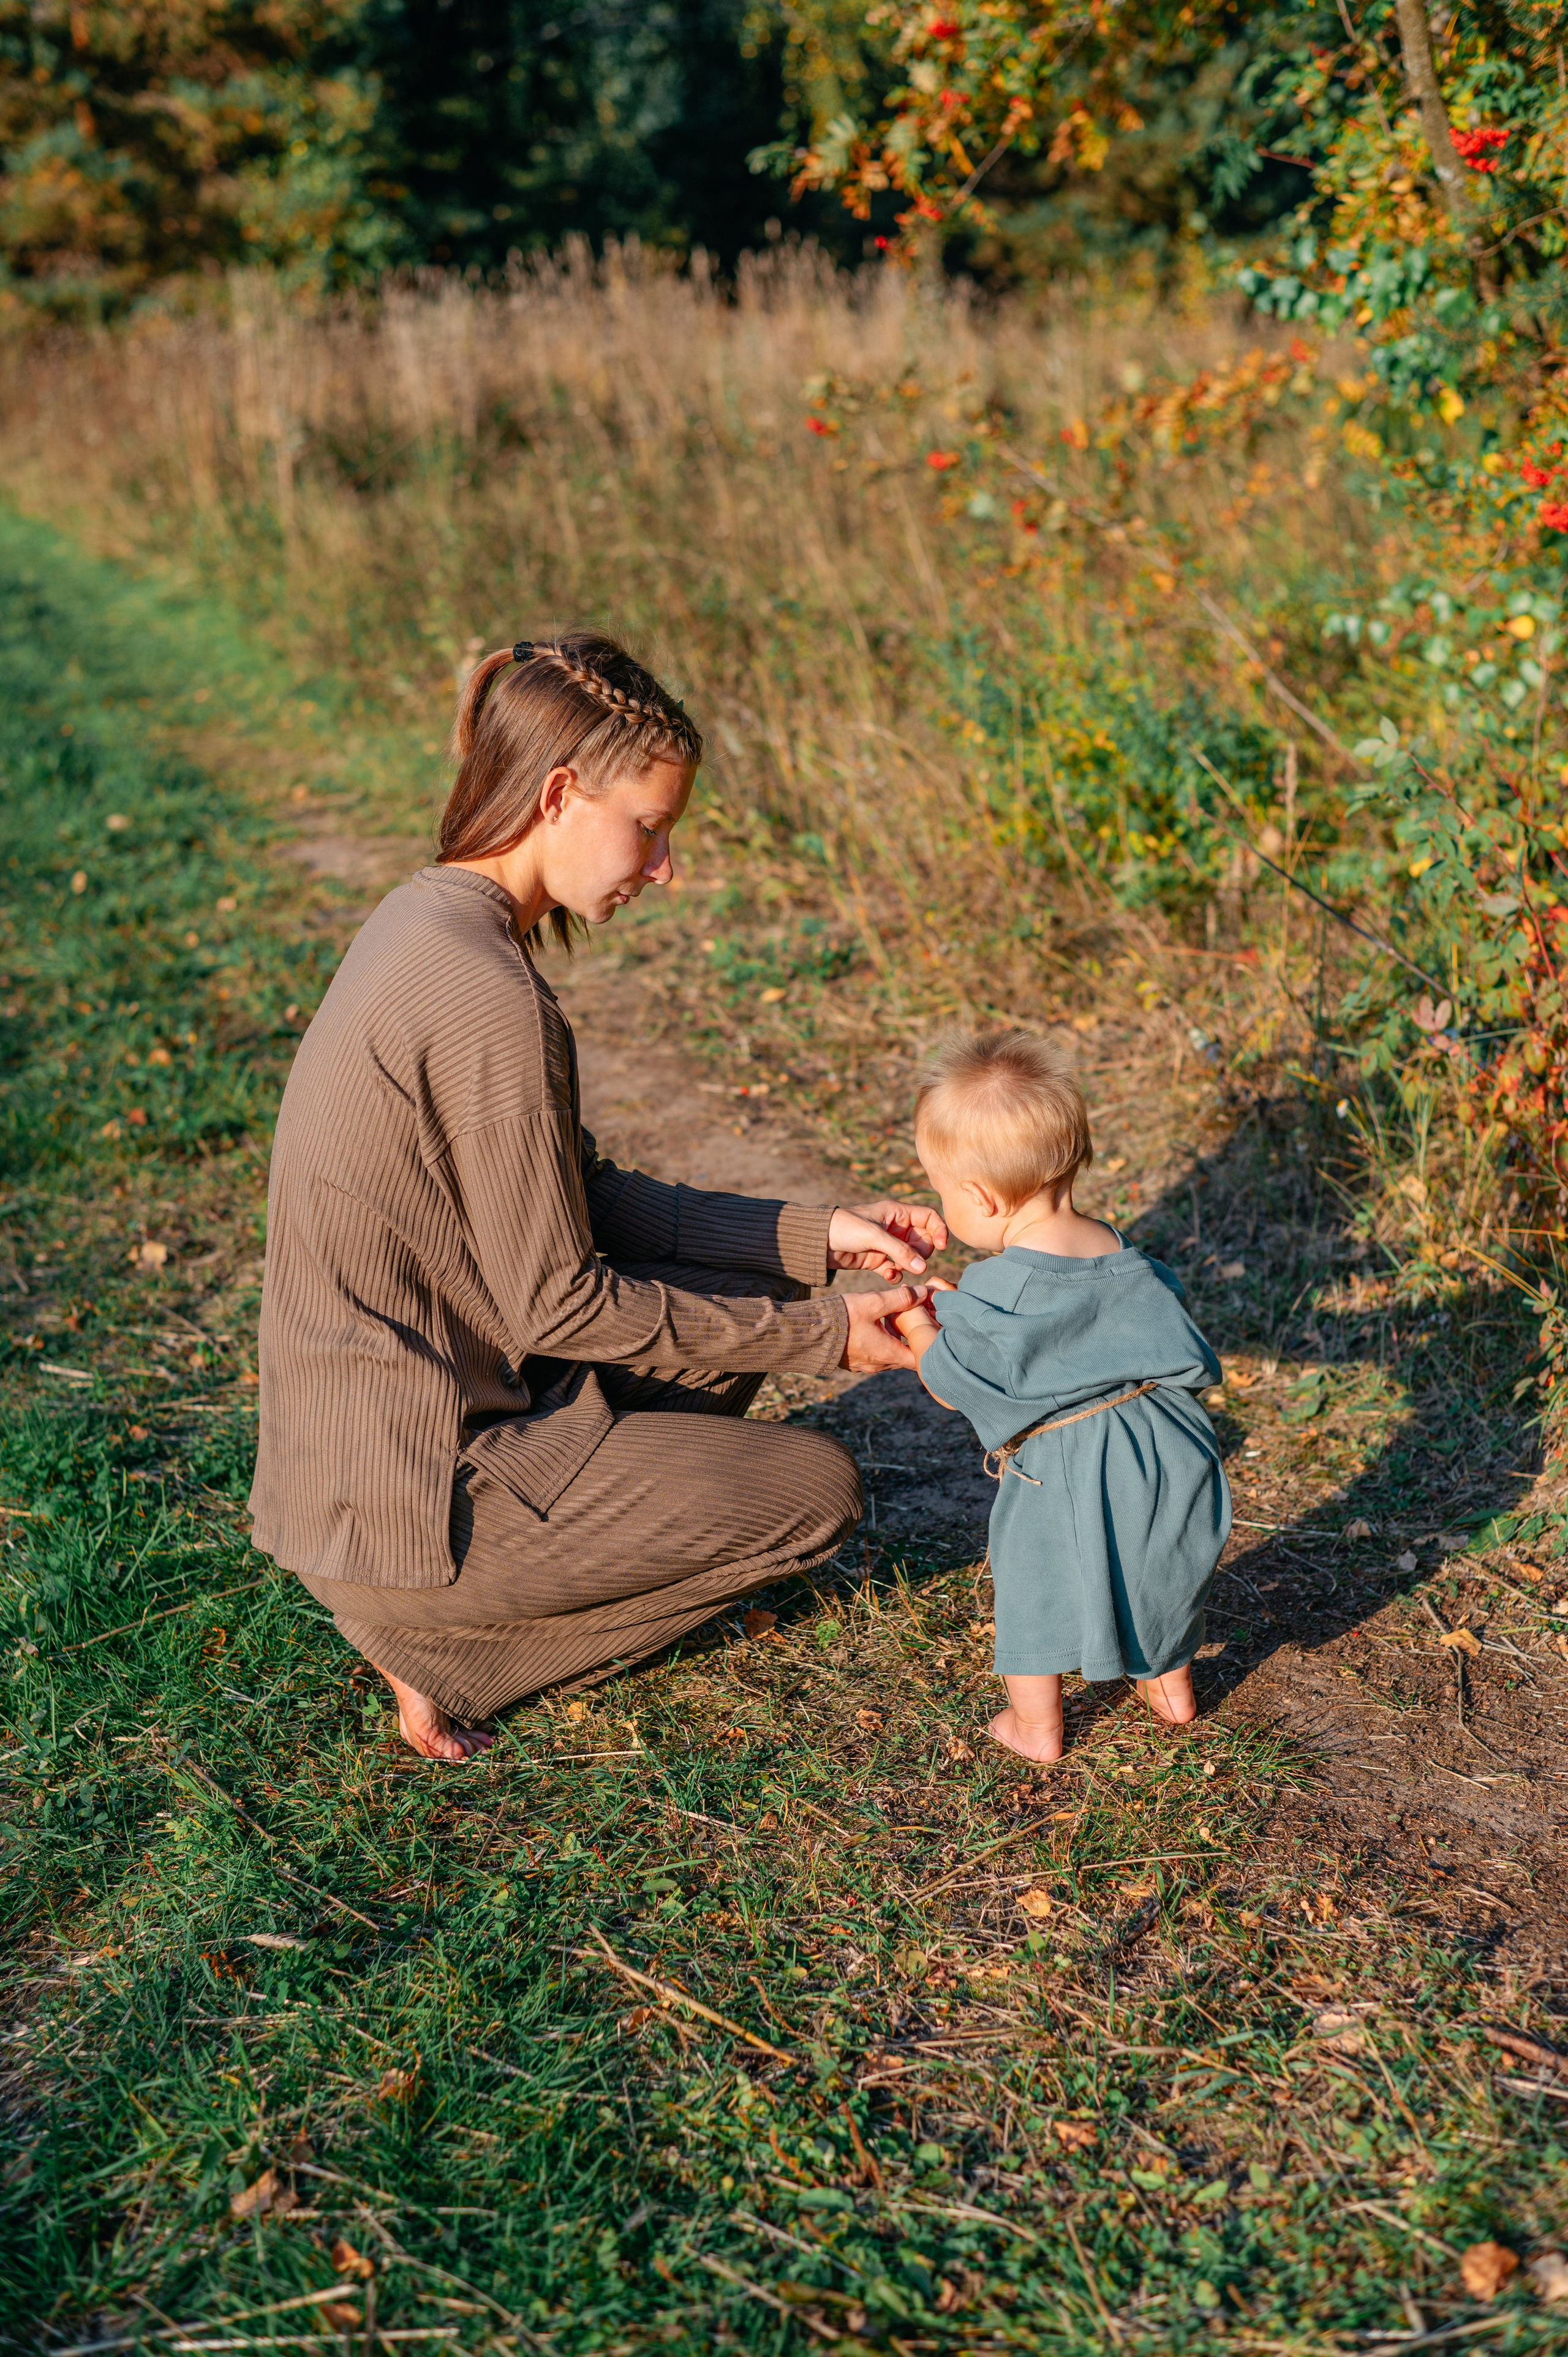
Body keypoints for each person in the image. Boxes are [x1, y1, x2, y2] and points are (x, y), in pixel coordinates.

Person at [249, 631, 945, 1761]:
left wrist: (816, 1239)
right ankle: (449, 1645)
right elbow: (558, 1305)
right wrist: (826, 1335)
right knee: (814, 1490)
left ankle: (501, 1574)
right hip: (416, 1499)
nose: (663, 865)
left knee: (728, 1316)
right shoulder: (487, 997)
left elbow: (587, 1195)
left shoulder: (425, 918)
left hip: (384, 1459)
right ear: (562, 792)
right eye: (651, 826)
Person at [891, 1028, 1230, 1762]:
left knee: (1034, 1578)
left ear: (980, 1197)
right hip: (1169, 1439)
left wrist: (923, 1326)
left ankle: (1035, 1726)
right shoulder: (1115, 1243)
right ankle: (1170, 1688)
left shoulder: (999, 1285)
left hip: (1070, 1456)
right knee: (1156, 1561)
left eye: (941, 1191)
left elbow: (953, 1382)